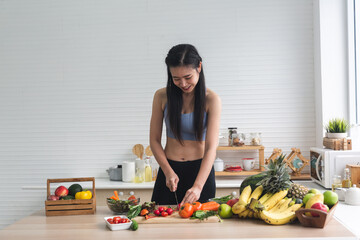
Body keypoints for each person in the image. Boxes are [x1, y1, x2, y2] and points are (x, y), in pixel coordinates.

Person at [150, 44, 221, 205]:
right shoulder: (161, 96)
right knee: (159, 226)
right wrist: (167, 171)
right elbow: (154, 140)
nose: (182, 83)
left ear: (199, 67)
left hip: (200, 173)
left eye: (187, 77)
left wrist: (198, 186)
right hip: (169, 171)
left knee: (202, 227)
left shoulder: (212, 99)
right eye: (176, 78)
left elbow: (211, 147)